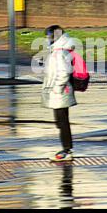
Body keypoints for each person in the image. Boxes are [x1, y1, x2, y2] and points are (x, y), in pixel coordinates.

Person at [42, 25, 77, 162]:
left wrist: (56, 89)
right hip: (59, 92)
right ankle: (66, 149)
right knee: (60, 122)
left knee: (62, 122)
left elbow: (63, 72)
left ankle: (67, 150)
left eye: (48, 37)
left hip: (60, 92)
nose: (47, 39)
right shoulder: (58, 51)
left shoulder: (60, 52)